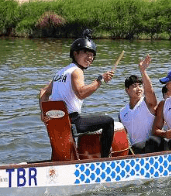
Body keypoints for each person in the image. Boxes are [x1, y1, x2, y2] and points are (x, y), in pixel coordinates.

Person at [39, 29, 115, 158]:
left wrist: (43, 113)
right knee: (108, 121)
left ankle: (64, 160)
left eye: (92, 55)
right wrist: (100, 80)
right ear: (75, 53)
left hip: (56, 121)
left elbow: (43, 92)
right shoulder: (76, 71)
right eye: (86, 53)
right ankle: (105, 160)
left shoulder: (60, 72)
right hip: (72, 121)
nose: (90, 58)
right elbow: (81, 93)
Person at [118, 54, 159, 154]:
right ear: (127, 90)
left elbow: (150, 91)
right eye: (134, 86)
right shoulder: (122, 112)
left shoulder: (147, 103)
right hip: (135, 151)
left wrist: (143, 71)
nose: (139, 88)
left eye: (140, 85)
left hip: (153, 147)